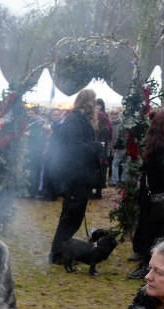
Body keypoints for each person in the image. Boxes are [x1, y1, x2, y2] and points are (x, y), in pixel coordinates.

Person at [128, 110, 164, 276]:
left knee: (154, 233)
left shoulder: (158, 147)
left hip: (156, 196)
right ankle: (162, 265)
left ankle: (151, 266)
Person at [47, 89, 101, 263]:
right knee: (70, 217)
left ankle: (61, 251)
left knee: (74, 217)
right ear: (89, 103)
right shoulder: (75, 121)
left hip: (80, 176)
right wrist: (96, 147)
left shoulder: (77, 120)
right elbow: (75, 149)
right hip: (75, 177)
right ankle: (57, 253)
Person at [92, 98, 113, 197]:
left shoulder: (104, 125)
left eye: (99, 105)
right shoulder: (94, 121)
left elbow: (105, 139)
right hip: (96, 149)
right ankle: (95, 191)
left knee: (100, 171)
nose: (98, 107)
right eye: (96, 105)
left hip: (101, 151)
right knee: (97, 171)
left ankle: (98, 192)